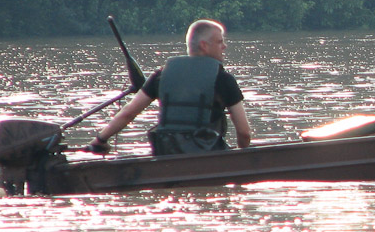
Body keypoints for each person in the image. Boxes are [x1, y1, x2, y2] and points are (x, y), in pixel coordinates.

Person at [87, 19, 252, 156]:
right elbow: (244, 133)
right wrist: (242, 157)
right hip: (206, 155)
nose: (224, 46)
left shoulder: (161, 75)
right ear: (204, 45)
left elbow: (128, 113)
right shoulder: (223, 79)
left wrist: (100, 140)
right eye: (220, 41)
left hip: (166, 153)